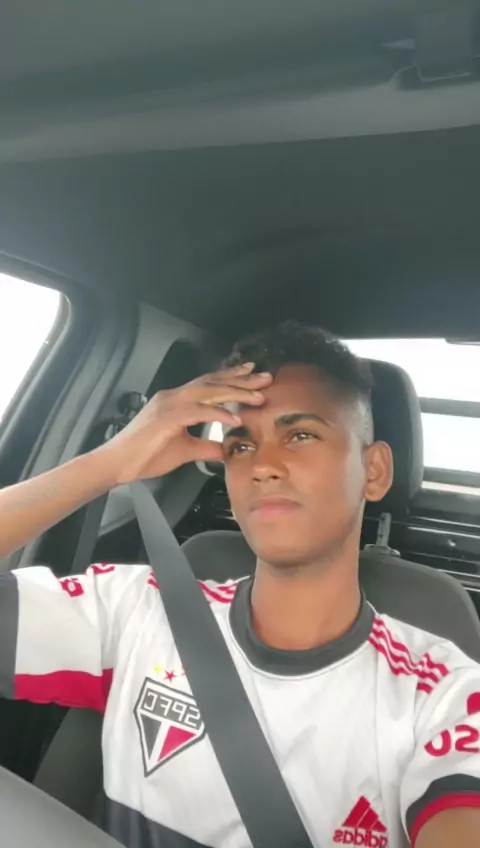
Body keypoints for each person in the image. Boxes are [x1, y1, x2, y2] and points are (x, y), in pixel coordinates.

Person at [0, 321, 479, 848]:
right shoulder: (135, 609)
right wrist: (110, 464)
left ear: (375, 470)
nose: (264, 466)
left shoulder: (444, 697)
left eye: (300, 435)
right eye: (241, 445)